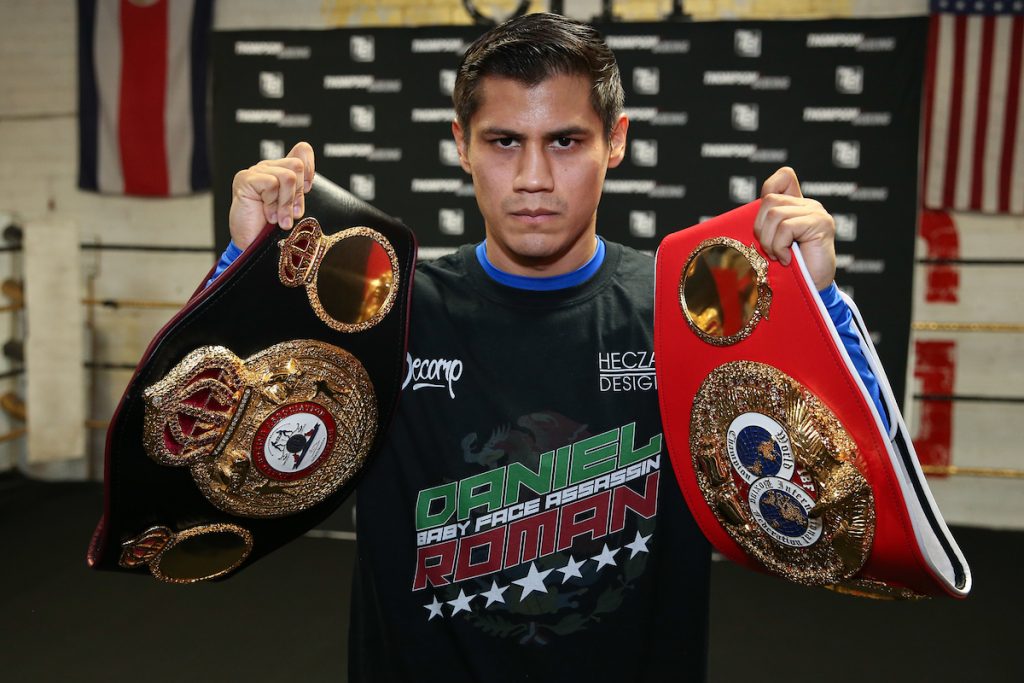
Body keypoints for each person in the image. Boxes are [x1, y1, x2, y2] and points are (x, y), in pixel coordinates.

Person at [219, 13, 880, 681]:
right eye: (504, 141)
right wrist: (242, 274)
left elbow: (841, 498)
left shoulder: (688, 315)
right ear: (462, 144)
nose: (533, 177)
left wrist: (818, 306)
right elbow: (231, 465)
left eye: (565, 141)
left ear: (615, 141)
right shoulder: (389, 314)